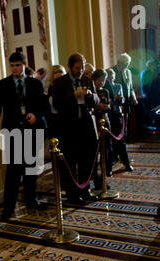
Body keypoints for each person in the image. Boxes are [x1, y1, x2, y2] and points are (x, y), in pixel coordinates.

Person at [0, 51, 48, 221]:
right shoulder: (2, 85)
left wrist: (36, 115)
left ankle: (31, 200)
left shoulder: (35, 84)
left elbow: (43, 106)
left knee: (31, 168)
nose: (15, 69)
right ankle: (8, 208)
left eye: (18, 65)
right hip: (11, 132)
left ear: (24, 65)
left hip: (31, 131)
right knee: (13, 172)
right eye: (12, 65)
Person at [52, 53, 100, 204]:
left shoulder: (87, 80)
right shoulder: (60, 82)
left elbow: (96, 101)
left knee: (86, 161)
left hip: (85, 127)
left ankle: (85, 190)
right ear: (70, 67)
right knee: (70, 163)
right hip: (68, 129)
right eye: (77, 68)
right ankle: (72, 194)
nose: (80, 70)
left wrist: (91, 95)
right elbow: (56, 104)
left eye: (83, 67)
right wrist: (74, 95)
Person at [110, 53, 137, 172]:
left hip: (126, 103)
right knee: (117, 131)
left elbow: (130, 87)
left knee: (124, 131)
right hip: (115, 104)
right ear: (119, 62)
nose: (127, 66)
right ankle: (117, 155)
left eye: (128, 64)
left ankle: (120, 155)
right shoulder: (111, 71)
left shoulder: (128, 72)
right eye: (125, 64)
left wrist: (133, 97)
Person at [91, 69, 112, 189]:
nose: (101, 83)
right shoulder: (91, 92)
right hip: (94, 123)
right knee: (95, 154)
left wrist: (105, 107)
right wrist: (97, 107)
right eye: (99, 80)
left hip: (105, 122)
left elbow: (108, 105)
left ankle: (103, 177)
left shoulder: (105, 91)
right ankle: (96, 180)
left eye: (103, 80)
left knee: (105, 151)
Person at [45, 64, 66, 139]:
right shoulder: (49, 91)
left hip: (66, 124)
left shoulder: (67, 91)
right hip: (53, 125)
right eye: (57, 79)